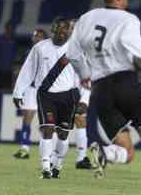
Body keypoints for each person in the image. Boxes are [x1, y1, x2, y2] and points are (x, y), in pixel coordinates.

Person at [66, 0, 141, 195]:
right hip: (124, 83)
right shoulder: (128, 19)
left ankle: (105, 153)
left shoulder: (86, 18)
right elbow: (135, 46)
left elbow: (72, 54)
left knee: (127, 153)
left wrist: (85, 75)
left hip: (100, 90)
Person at [12, 17, 90, 179]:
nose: (62, 34)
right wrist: (18, 91)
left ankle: (58, 164)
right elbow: (28, 70)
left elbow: (86, 76)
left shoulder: (76, 50)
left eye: (65, 31)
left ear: (69, 31)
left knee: (63, 134)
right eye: (59, 30)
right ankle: (46, 167)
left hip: (68, 95)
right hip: (45, 95)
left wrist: (84, 100)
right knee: (47, 129)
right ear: (53, 30)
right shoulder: (40, 48)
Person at [13, 28, 48, 159]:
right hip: (31, 90)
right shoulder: (28, 52)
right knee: (27, 119)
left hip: (45, 91)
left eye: (39, 36)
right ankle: (24, 148)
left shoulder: (50, 51)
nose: (36, 38)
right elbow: (23, 71)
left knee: (47, 123)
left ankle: (49, 153)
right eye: (35, 36)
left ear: (44, 38)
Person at [0, 21, 16, 91]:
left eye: (11, 28)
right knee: (0, 87)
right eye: (9, 28)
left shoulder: (14, 40)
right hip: (0, 68)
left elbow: (13, 54)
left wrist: (13, 65)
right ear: (6, 28)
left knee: (8, 88)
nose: (10, 29)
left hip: (9, 68)